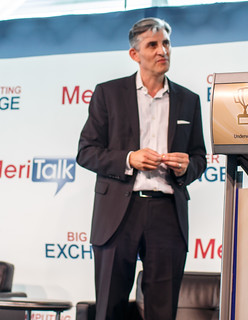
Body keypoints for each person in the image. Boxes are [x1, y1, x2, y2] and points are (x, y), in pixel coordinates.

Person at [76, 17, 207, 320]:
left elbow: (199, 157)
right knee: (109, 308)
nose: (163, 51)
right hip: (119, 212)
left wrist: (187, 166)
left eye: (166, 43)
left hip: (167, 213)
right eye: (153, 45)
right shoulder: (108, 94)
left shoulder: (189, 100)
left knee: (163, 310)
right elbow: (86, 152)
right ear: (135, 54)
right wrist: (129, 159)